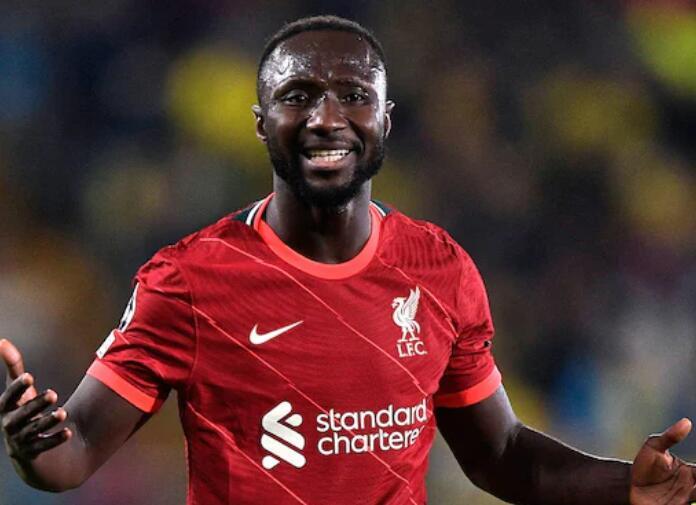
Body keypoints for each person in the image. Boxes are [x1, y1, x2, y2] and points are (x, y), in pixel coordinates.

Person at [0, 15, 694, 505]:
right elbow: (73, 454)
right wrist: (36, 447)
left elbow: (500, 455)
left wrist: (621, 484)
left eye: (355, 96)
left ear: (385, 119)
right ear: (261, 123)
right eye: (297, 96)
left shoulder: (440, 268)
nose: (326, 118)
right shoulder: (188, 280)